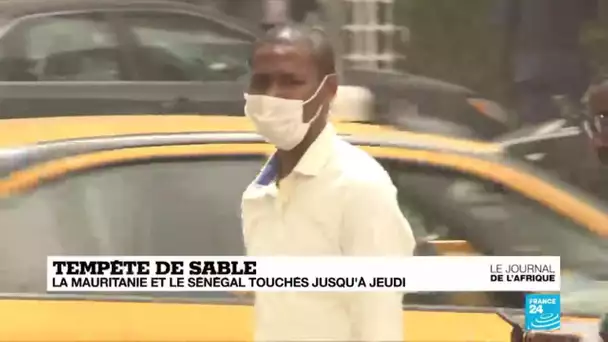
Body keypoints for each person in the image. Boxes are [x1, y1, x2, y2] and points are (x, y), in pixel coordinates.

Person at [240, 24, 415, 342]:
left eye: (291, 82)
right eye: (261, 82)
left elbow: (379, 324)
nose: (272, 96)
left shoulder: (359, 187)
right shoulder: (259, 195)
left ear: (329, 90)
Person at [491, 0, 597, 125]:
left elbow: (505, 27)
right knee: (571, 124)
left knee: (536, 127)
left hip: (530, 65)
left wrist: (502, 70)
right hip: (567, 62)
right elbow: (589, 24)